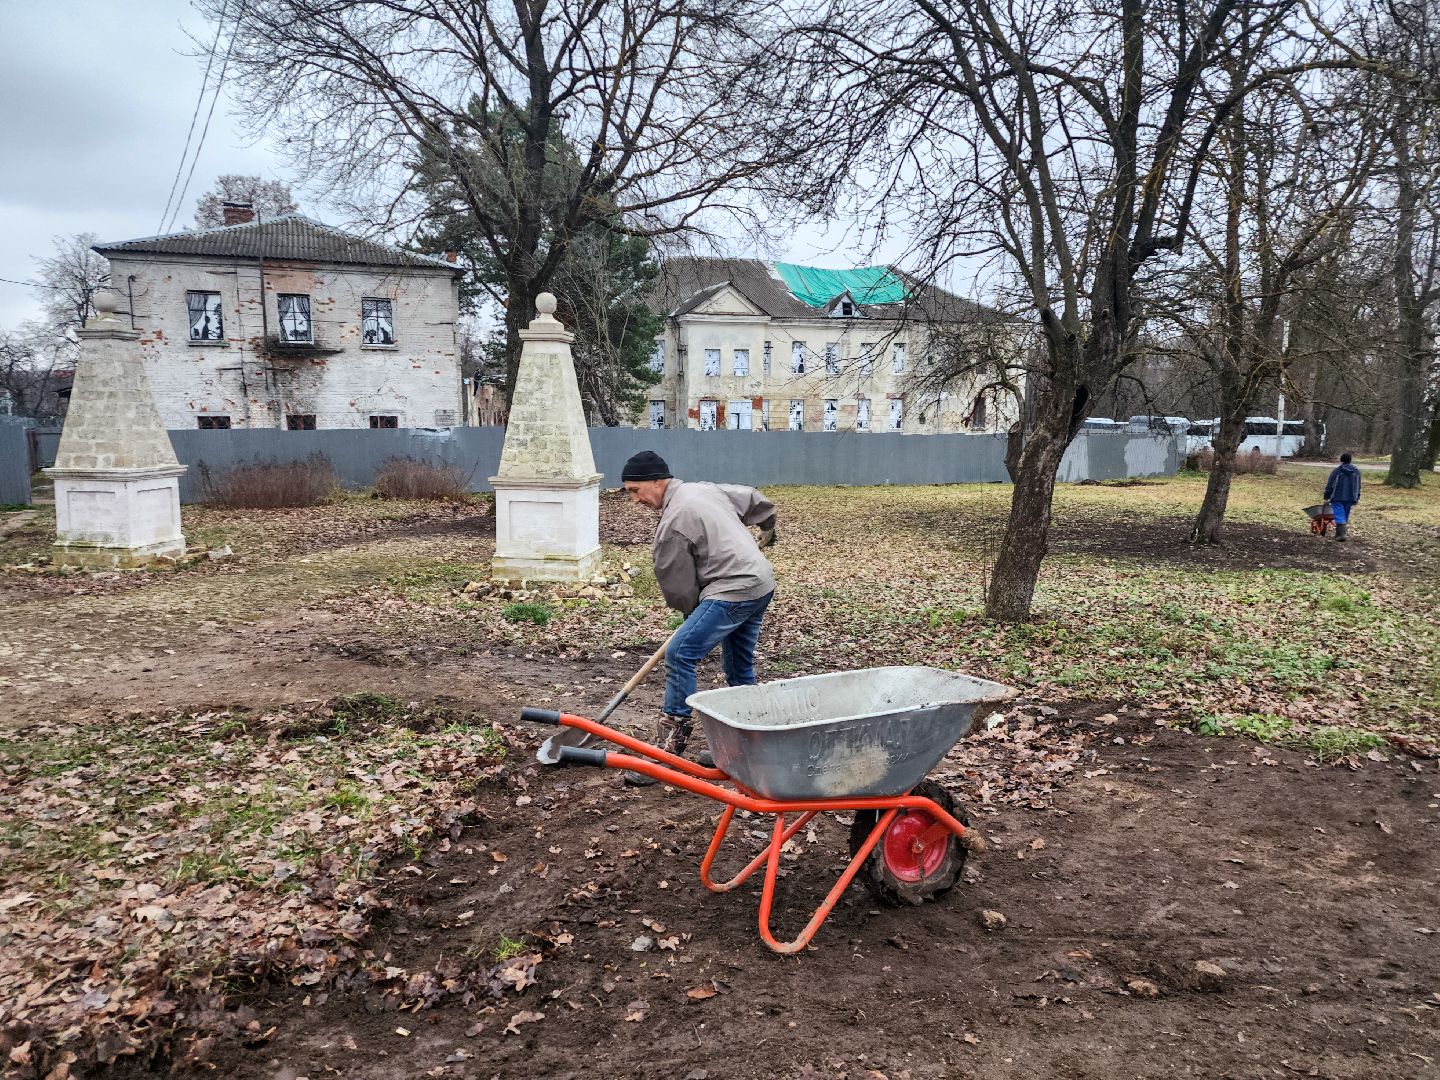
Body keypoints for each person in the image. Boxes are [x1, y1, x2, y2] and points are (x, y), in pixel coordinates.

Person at [620, 451, 777, 781]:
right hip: (761, 584)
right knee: (738, 667)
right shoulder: (702, 489)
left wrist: (691, 615)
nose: (634, 499)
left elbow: (678, 586)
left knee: (680, 653)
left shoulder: (674, 522)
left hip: (733, 589)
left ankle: (668, 752)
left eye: (635, 490)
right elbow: (752, 498)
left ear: (657, 482)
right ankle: (747, 748)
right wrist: (768, 526)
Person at [1323, 452, 1362, 541]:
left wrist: (1326, 496)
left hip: (1337, 496)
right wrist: (1357, 497)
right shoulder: (1356, 471)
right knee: (1345, 515)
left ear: (1341, 460)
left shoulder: (1337, 471)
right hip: (1351, 496)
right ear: (1350, 460)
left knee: (1339, 515)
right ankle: (1340, 533)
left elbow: (1330, 484)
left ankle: (1341, 534)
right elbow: (1358, 485)